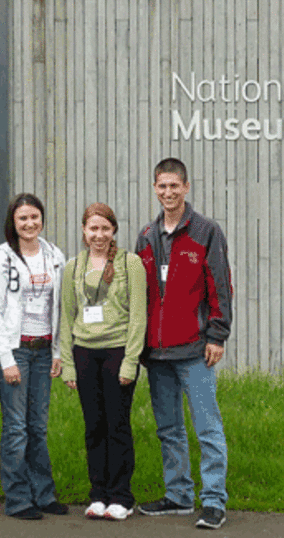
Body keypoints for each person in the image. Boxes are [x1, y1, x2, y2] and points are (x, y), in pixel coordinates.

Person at [134, 158, 233, 530]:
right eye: (162, 186)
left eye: (175, 186)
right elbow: (141, 293)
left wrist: (217, 334)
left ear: (186, 187)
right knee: (169, 429)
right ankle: (177, 496)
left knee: (208, 428)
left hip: (195, 349)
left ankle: (213, 501)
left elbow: (221, 286)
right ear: (155, 188)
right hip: (157, 353)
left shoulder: (206, 231)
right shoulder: (146, 235)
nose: (168, 193)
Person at [0, 193, 70, 520]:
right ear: (13, 223)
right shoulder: (1, 260)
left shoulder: (55, 256)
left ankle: (43, 494)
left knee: (38, 426)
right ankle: (18, 499)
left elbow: (59, 309)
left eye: (35, 217)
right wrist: (5, 359)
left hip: (44, 351)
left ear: (42, 219)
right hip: (15, 350)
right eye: (23, 219)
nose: (30, 223)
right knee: (16, 427)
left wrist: (59, 351)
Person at [59, 203, 147, 521]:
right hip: (85, 354)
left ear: (114, 231)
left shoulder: (130, 263)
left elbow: (138, 317)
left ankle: (121, 496)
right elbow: (67, 319)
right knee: (94, 426)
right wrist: (68, 364)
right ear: (84, 231)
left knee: (117, 425)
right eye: (93, 229)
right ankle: (98, 494)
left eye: (105, 229)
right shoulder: (73, 267)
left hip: (118, 352)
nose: (99, 235)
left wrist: (130, 361)